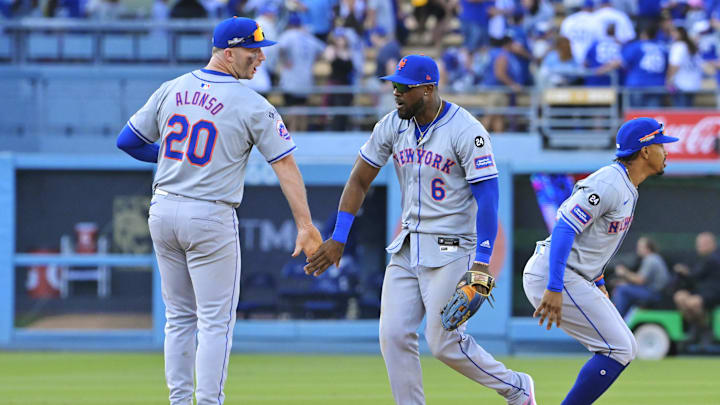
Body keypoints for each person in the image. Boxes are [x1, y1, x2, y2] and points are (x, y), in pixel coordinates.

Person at [304, 54, 537, 405]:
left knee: (443, 342)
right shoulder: (391, 125)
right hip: (406, 245)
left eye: (404, 88)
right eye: (394, 86)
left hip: (452, 248)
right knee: (393, 335)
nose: (396, 93)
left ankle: (516, 386)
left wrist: (481, 264)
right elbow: (359, 180)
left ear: (428, 89)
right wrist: (339, 236)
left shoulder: (466, 130)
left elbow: (489, 199)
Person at [115, 17, 322, 405]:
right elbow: (285, 165)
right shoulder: (251, 103)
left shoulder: (172, 88)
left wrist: (168, 160)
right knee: (214, 323)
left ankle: (179, 402)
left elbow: (127, 140)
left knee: (178, 318)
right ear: (228, 53)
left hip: (163, 210)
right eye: (252, 50)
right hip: (209, 214)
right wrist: (305, 225)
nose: (260, 58)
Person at [523, 117, 679, 405]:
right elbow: (564, 228)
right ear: (645, 151)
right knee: (619, 347)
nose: (666, 151)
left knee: (620, 347)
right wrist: (554, 287)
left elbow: (592, 243)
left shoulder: (627, 186)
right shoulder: (609, 182)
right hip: (555, 273)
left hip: (573, 275)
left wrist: (598, 280)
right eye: (661, 145)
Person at [673, 232, 720, 344]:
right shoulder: (701, 258)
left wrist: (684, 272)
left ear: (711, 244)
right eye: (698, 243)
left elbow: (695, 275)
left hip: (714, 294)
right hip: (700, 292)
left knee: (693, 303)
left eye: (702, 244)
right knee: (680, 297)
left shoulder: (714, 258)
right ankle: (698, 328)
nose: (698, 246)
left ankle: (705, 330)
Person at [611, 236, 671, 318]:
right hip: (653, 291)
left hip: (654, 293)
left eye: (640, 247)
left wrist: (624, 272)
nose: (637, 249)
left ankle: (615, 318)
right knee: (624, 287)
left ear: (648, 248)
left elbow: (640, 280)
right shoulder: (654, 258)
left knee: (622, 289)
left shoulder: (651, 259)